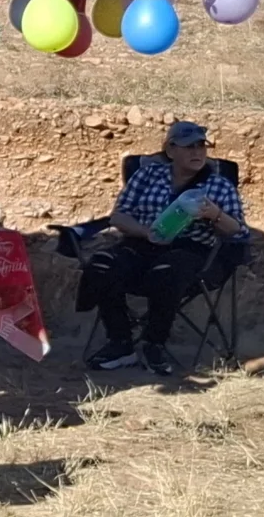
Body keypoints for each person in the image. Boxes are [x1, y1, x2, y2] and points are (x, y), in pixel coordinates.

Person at [82, 120, 246, 376]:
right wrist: (146, 232)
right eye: (189, 146)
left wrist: (215, 214)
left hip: (191, 251)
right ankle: (121, 343)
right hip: (143, 242)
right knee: (102, 264)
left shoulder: (218, 185)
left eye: (201, 146)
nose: (197, 152)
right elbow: (119, 217)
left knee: (167, 272)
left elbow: (237, 230)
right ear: (170, 150)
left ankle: (153, 343)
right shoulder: (147, 175)